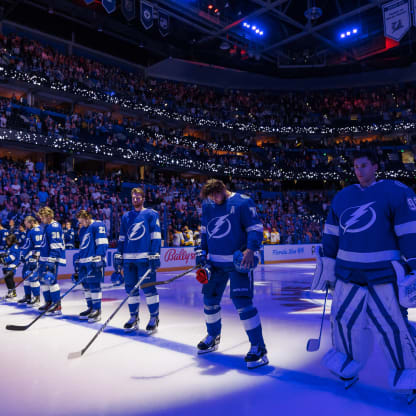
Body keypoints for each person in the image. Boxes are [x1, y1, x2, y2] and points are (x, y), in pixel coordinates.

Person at [311, 150, 416, 400]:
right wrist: (327, 265)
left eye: (364, 165)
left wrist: (412, 266)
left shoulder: (395, 191)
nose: (359, 171)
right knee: (344, 320)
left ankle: (408, 374)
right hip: (348, 274)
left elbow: (409, 232)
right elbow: (331, 234)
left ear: (375, 166)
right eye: (356, 166)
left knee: (392, 325)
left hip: (383, 274)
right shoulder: (344, 196)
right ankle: (347, 363)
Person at [195, 179, 268, 369]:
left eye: (216, 195)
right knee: (209, 301)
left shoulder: (243, 202)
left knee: (243, 303)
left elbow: (255, 228)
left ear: (223, 189)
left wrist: (251, 249)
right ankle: (213, 336)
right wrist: (201, 253)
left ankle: (258, 347)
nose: (214, 199)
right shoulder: (208, 204)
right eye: (211, 196)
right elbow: (204, 231)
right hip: (215, 264)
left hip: (239, 262)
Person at [116, 188, 161, 333]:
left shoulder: (151, 214)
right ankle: (133, 317)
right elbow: (122, 237)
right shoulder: (126, 217)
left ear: (143, 198)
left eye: (138, 197)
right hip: (129, 260)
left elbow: (156, 235)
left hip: (144, 258)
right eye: (133, 197)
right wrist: (119, 254)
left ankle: (154, 317)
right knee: (131, 290)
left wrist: (155, 254)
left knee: (148, 289)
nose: (135, 199)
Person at [76, 210, 108, 323]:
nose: (82, 224)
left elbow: (102, 242)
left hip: (94, 261)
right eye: (80, 222)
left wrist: (99, 256)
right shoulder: (83, 229)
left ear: (88, 217)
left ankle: (97, 309)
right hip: (84, 262)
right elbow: (83, 246)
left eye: (83, 221)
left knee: (94, 285)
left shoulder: (97, 225)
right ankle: (90, 307)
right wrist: (78, 259)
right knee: (86, 286)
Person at [37, 207, 66, 315]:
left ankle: (57, 305)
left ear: (49, 216)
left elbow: (56, 246)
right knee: (44, 281)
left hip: (50, 259)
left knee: (51, 280)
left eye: (42, 217)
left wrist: (51, 261)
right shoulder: (48, 226)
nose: (41, 219)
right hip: (44, 259)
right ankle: (49, 303)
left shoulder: (54, 227)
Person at [17, 216, 43, 306]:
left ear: (32, 222)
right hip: (29, 257)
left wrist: (35, 257)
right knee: (26, 276)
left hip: (34, 257)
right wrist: (23, 255)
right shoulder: (32, 230)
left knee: (33, 276)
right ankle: (28, 296)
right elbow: (27, 245)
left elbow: (39, 246)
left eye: (27, 224)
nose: (26, 226)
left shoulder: (36, 230)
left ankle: (37, 298)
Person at [0, 234, 20, 299]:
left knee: (9, 278)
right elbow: (8, 254)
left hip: (12, 265)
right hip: (7, 266)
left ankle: (13, 293)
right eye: (7, 240)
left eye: (8, 241)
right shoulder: (9, 247)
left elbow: (13, 256)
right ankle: (11, 292)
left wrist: (4, 260)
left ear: (12, 240)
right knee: (7, 279)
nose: (7, 242)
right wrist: (3, 256)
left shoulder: (14, 247)